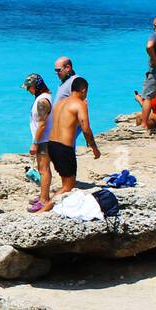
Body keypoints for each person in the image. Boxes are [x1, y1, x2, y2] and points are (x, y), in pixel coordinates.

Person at [37, 77, 99, 211]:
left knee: (65, 181)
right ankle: (43, 211)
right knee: (68, 185)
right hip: (63, 148)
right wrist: (94, 148)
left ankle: (53, 207)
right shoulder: (79, 103)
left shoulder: (59, 103)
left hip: (51, 144)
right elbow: (86, 128)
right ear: (83, 90)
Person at [22, 73, 53, 207]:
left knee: (44, 170)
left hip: (44, 140)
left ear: (36, 86)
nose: (28, 90)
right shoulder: (42, 98)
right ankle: (43, 195)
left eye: (29, 87)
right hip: (43, 139)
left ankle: (44, 200)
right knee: (42, 168)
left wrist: (35, 143)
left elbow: (42, 124)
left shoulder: (42, 101)